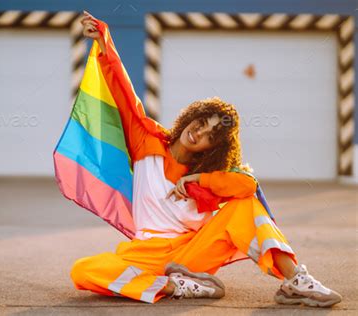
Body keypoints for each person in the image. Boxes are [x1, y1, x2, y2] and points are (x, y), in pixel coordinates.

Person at [70, 10, 342, 307]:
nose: (200, 133)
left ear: (213, 148)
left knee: (244, 206)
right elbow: (126, 98)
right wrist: (105, 44)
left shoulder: (212, 171)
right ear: (190, 118)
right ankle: (176, 287)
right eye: (201, 123)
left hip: (191, 257)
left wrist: (199, 178)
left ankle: (295, 281)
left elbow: (247, 186)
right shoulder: (147, 141)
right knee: (84, 270)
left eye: (211, 135)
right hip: (144, 254)